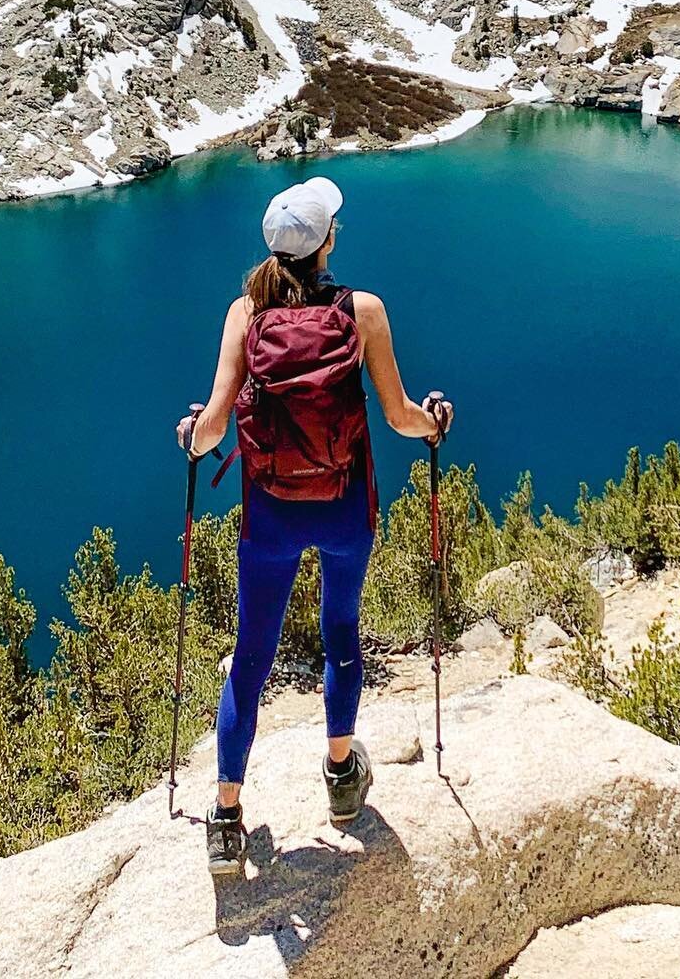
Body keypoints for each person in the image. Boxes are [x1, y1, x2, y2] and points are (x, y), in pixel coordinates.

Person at [176, 175, 453, 876]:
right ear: (327, 241)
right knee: (340, 636)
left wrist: (189, 438)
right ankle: (339, 777)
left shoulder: (245, 314)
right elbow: (398, 417)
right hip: (343, 508)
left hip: (269, 513)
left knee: (251, 657)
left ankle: (227, 815)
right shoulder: (363, 311)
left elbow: (210, 432)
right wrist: (436, 421)